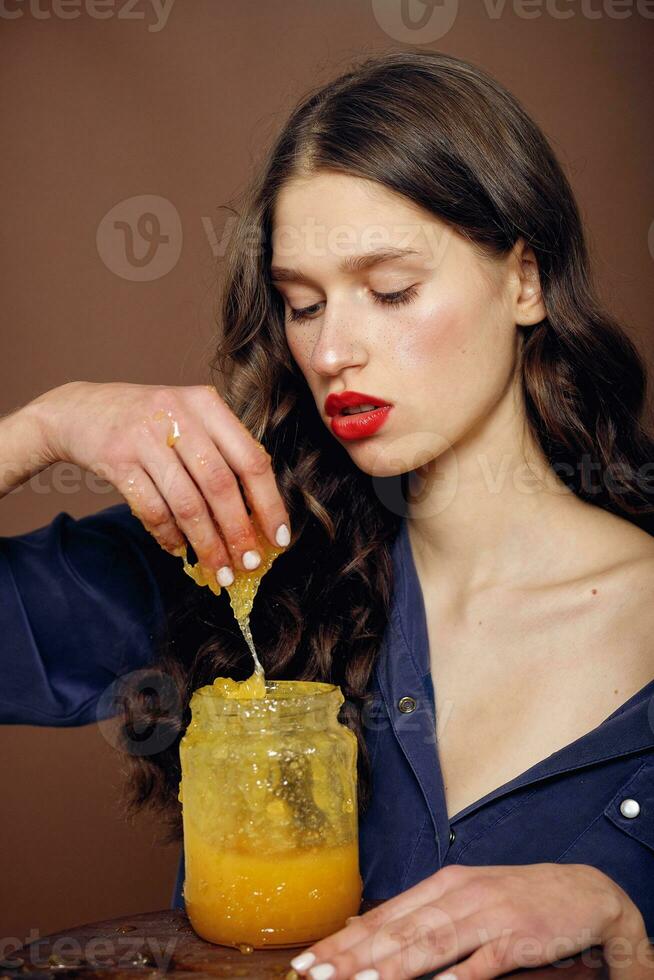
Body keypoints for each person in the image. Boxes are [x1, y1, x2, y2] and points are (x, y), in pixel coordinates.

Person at [2, 49, 654, 980]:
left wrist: (620, 907)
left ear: (525, 279)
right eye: (302, 306)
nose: (334, 349)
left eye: (391, 291)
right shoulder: (234, 563)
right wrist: (42, 425)